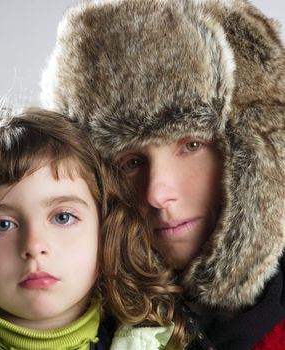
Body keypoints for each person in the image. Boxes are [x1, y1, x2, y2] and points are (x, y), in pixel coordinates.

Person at [40, 0, 285, 349]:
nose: (157, 193)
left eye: (191, 146)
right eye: (129, 162)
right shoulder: (60, 323)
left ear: (254, 158)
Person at [0, 107, 184, 349]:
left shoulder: (156, 342)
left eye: (63, 217)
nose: (34, 246)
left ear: (105, 231)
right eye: (2, 224)